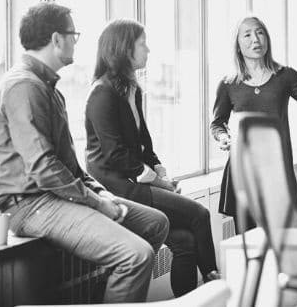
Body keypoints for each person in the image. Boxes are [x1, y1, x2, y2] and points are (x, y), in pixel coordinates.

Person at [0, 2, 169, 303]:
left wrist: (101, 194)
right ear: (57, 39)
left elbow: (69, 166)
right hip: (31, 204)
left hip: (52, 196)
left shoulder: (47, 88)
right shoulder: (24, 87)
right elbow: (44, 169)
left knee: (155, 223)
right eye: (73, 35)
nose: (75, 42)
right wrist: (97, 203)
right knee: (135, 256)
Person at [84, 19, 219, 297]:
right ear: (123, 49)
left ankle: (190, 302)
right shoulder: (102, 93)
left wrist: (162, 174)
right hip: (117, 188)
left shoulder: (133, 91)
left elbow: (144, 145)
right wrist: (159, 183)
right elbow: (116, 155)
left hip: (136, 181)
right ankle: (215, 283)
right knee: (200, 215)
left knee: (185, 241)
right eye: (142, 44)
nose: (149, 50)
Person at [210, 16, 297, 231]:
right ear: (238, 45)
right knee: (247, 239)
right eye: (247, 34)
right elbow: (217, 123)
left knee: (281, 235)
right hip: (242, 169)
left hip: (276, 167)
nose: (255, 39)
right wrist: (223, 137)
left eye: (260, 32)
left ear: (267, 38)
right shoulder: (229, 84)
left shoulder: (285, 76)